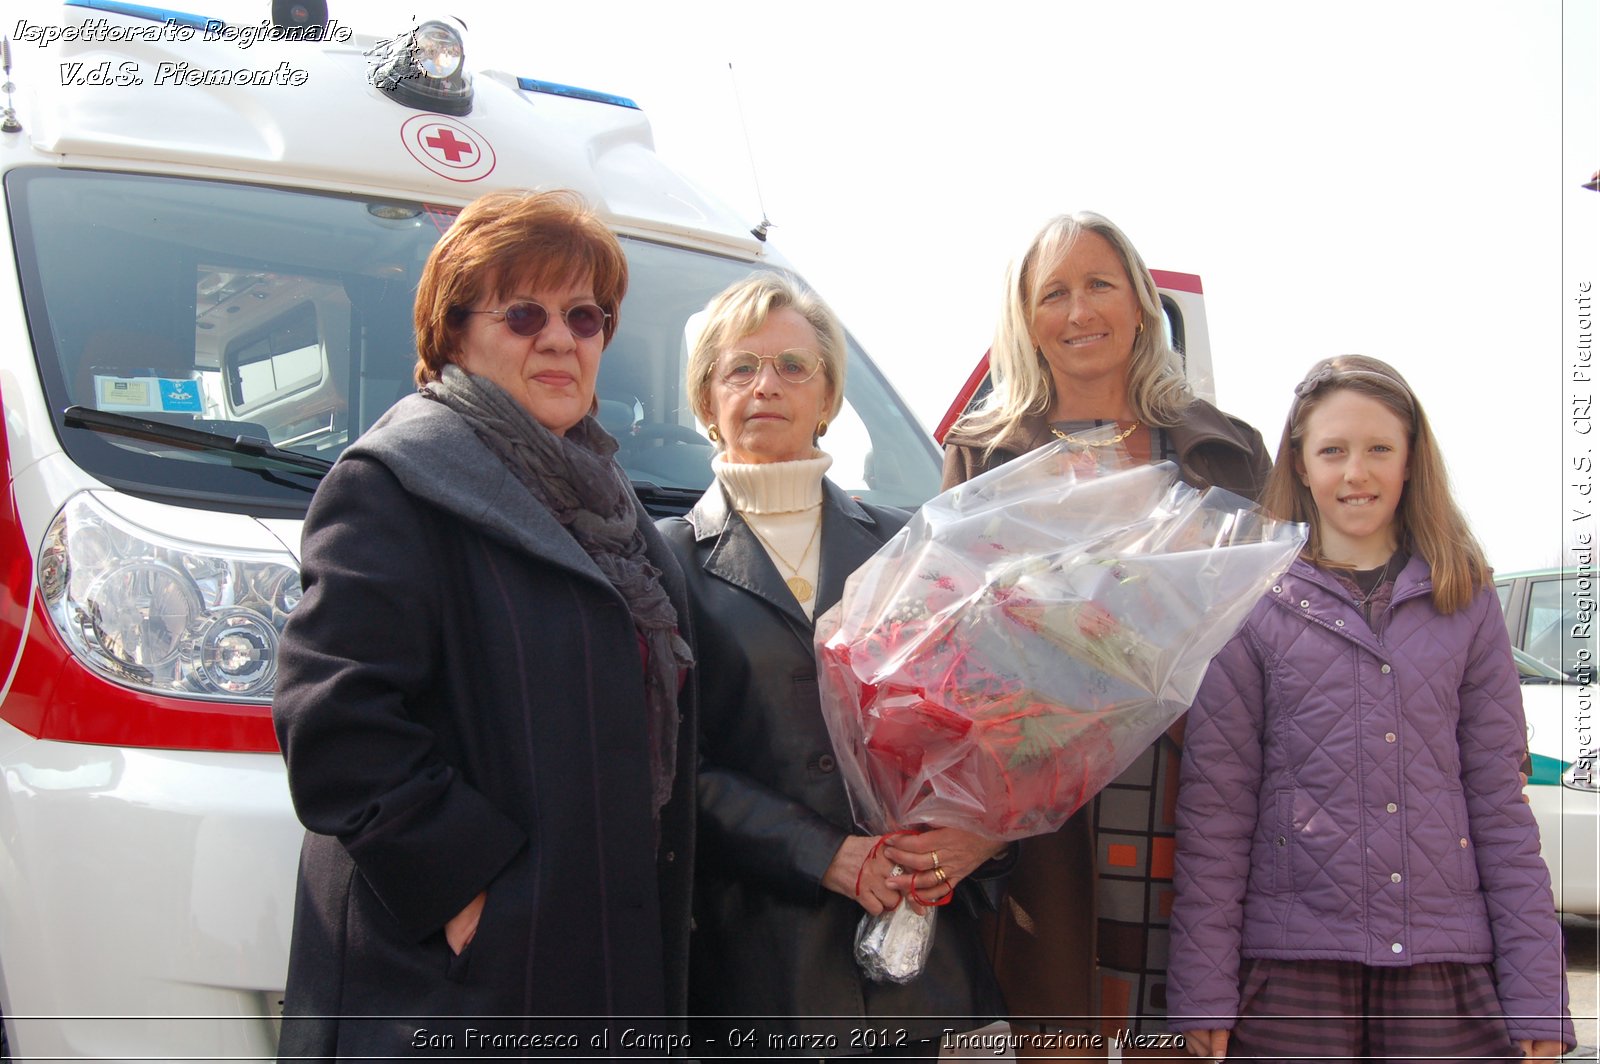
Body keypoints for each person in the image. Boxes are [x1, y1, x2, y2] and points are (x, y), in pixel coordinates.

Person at [272, 189, 696, 1059]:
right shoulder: (394, 480)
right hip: (458, 981)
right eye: (524, 312)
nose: (559, 338)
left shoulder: (614, 506)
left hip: (599, 953)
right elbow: (337, 725)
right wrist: (474, 900)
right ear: (453, 331)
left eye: (585, 316)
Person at [1167, 355, 1574, 1062]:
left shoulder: (1466, 602)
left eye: (1379, 448)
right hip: (1293, 969)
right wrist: (1204, 989)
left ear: (1412, 460)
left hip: (1444, 969)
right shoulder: (1251, 604)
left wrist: (1539, 994)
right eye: (1333, 451)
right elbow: (1216, 812)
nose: (1356, 473)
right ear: (1299, 464)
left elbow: (1502, 811)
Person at [933, 211, 1270, 1054]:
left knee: (1181, 1036)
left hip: (1192, 799)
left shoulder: (1228, 453)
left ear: (1142, 305)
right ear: (1025, 319)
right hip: (1044, 819)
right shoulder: (983, 456)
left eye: (1099, 285)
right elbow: (949, 641)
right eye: (1053, 293)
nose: (1078, 311)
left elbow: (1274, 636)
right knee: (1061, 1037)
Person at [658, 273, 1004, 1058]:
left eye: (792, 367)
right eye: (738, 368)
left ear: (829, 396)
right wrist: (824, 856)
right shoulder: (662, 560)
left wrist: (973, 834)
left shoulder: (910, 541)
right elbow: (667, 761)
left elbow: (987, 723)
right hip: (756, 968)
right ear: (707, 399)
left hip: (907, 972)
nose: (764, 387)